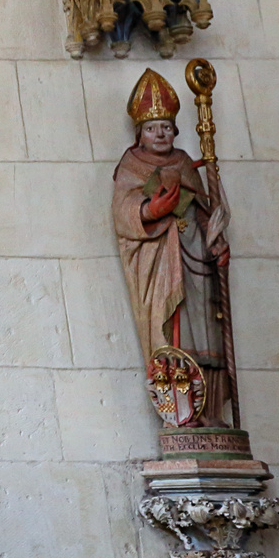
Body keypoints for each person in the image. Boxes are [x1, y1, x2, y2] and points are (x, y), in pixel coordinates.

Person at [112, 69, 231, 426]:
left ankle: (210, 412)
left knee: (207, 333)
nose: (160, 134)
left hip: (196, 262)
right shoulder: (131, 166)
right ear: (140, 133)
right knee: (174, 333)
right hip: (161, 265)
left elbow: (205, 211)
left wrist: (216, 240)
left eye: (166, 127)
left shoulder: (183, 164)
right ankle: (180, 413)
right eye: (152, 128)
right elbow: (123, 213)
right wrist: (150, 210)